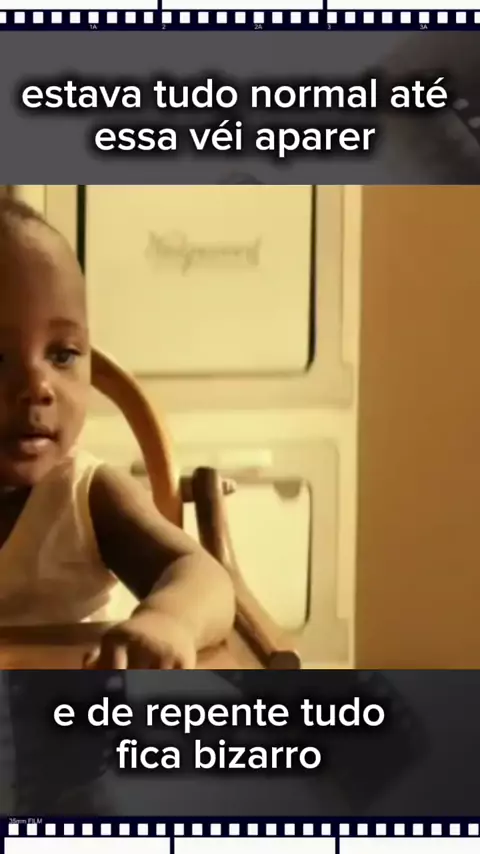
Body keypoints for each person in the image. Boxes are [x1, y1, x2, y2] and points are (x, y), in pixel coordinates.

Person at [0, 196, 235, 669]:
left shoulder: (84, 495)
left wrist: (168, 620)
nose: (38, 387)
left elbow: (202, 576)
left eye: (63, 354)